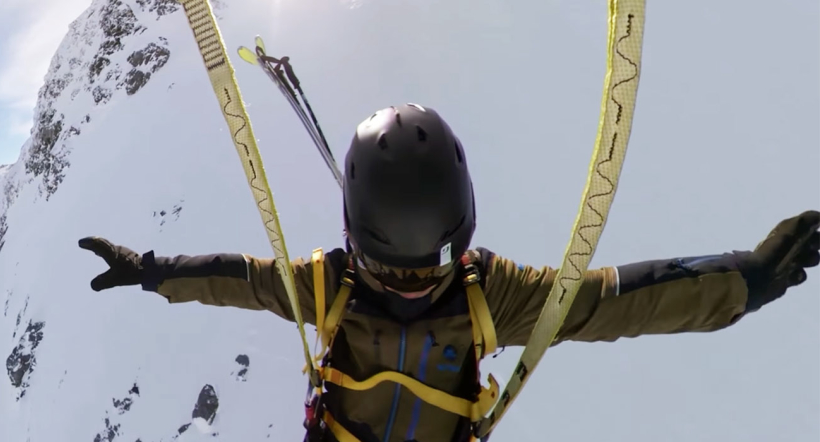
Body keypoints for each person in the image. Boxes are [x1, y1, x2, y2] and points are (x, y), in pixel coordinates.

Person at [78, 103, 820, 442]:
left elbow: (614, 299)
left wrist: (746, 279)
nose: (407, 284)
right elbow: (241, 277)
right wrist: (152, 269)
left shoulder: (475, 291)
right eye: (390, 268)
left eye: (424, 267)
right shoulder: (443, 290)